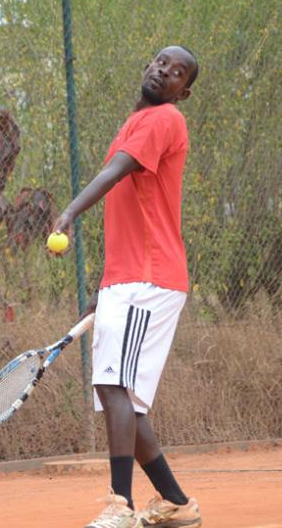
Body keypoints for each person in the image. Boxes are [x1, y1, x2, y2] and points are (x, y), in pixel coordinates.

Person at [51, 45, 202, 528]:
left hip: (150, 277)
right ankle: (176, 503)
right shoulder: (134, 122)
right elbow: (130, 213)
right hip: (130, 278)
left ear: (185, 91)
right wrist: (106, 286)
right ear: (146, 66)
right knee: (124, 400)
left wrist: (69, 212)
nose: (165, 72)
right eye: (161, 62)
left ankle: (120, 504)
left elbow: (115, 174)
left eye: (177, 72)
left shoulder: (165, 120)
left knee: (116, 387)